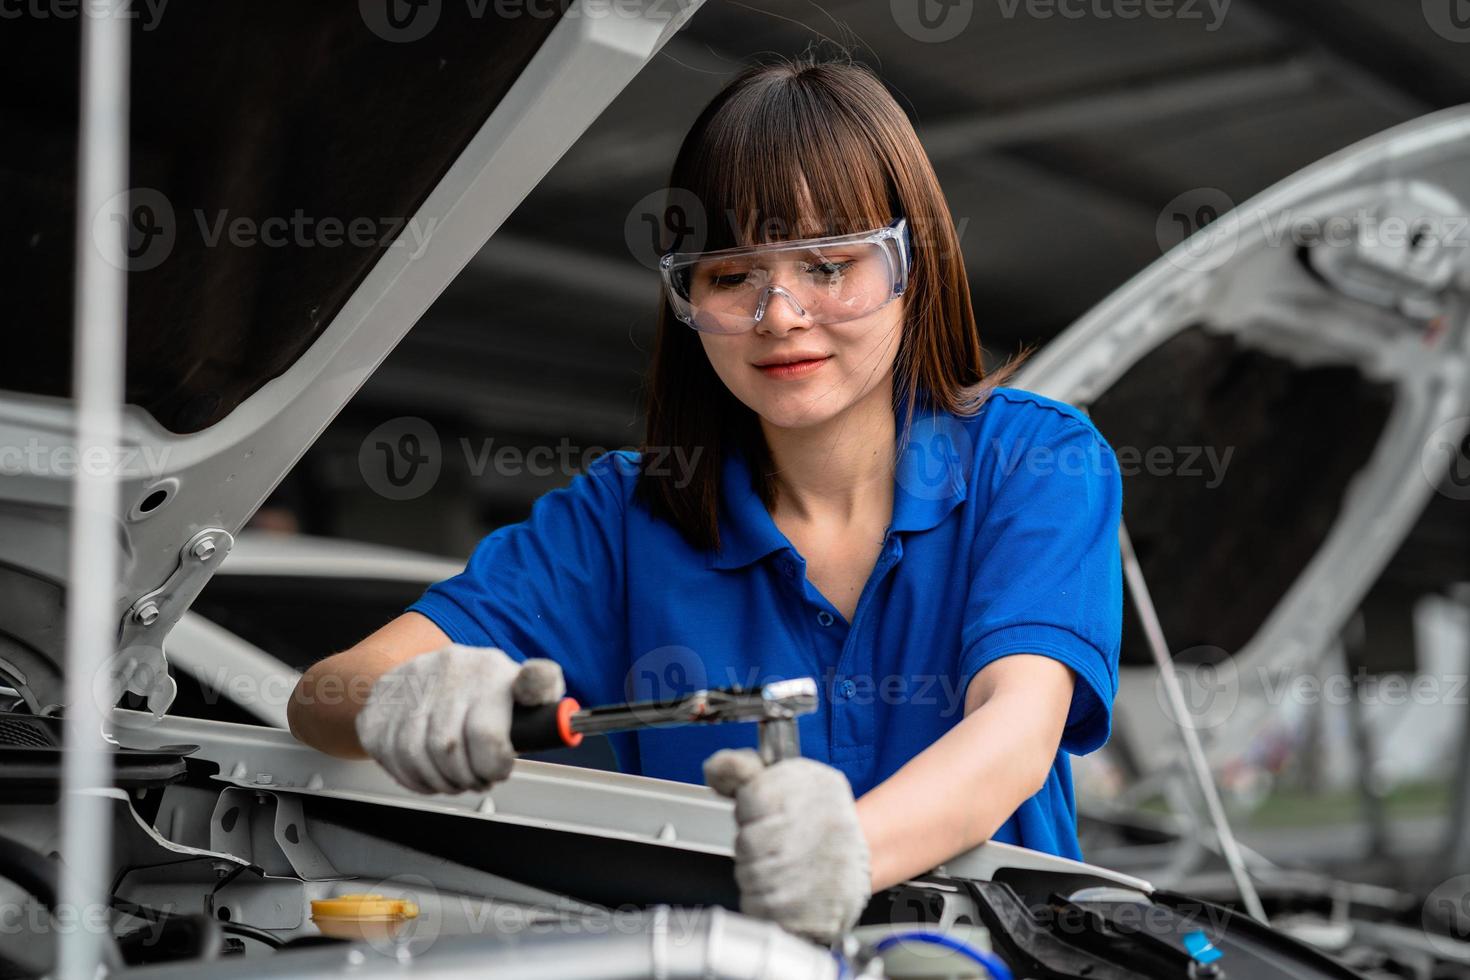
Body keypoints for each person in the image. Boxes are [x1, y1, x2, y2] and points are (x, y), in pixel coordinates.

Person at [288, 54, 1123, 945]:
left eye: (830, 265)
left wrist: (847, 852)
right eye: (731, 277)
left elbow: (1016, 724)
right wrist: (402, 700)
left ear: (909, 264)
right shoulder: (622, 520)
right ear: (686, 297)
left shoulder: (1035, 461)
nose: (780, 315)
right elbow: (318, 697)